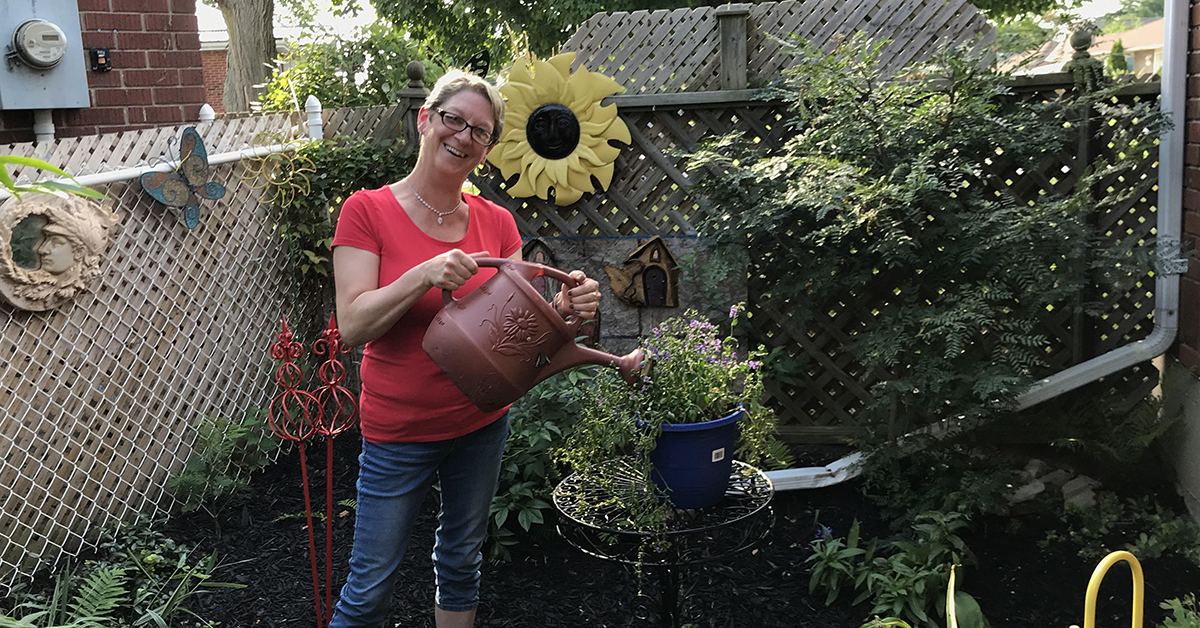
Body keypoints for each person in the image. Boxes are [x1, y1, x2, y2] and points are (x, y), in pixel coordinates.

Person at [329, 69, 602, 628]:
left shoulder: (497, 223)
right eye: (454, 120)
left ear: (488, 148)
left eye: (480, 131)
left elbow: (519, 338)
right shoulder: (366, 210)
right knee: (370, 588)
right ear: (425, 119)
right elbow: (353, 326)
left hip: (481, 425)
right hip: (399, 432)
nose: (463, 136)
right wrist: (423, 274)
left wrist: (566, 312)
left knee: (460, 563)